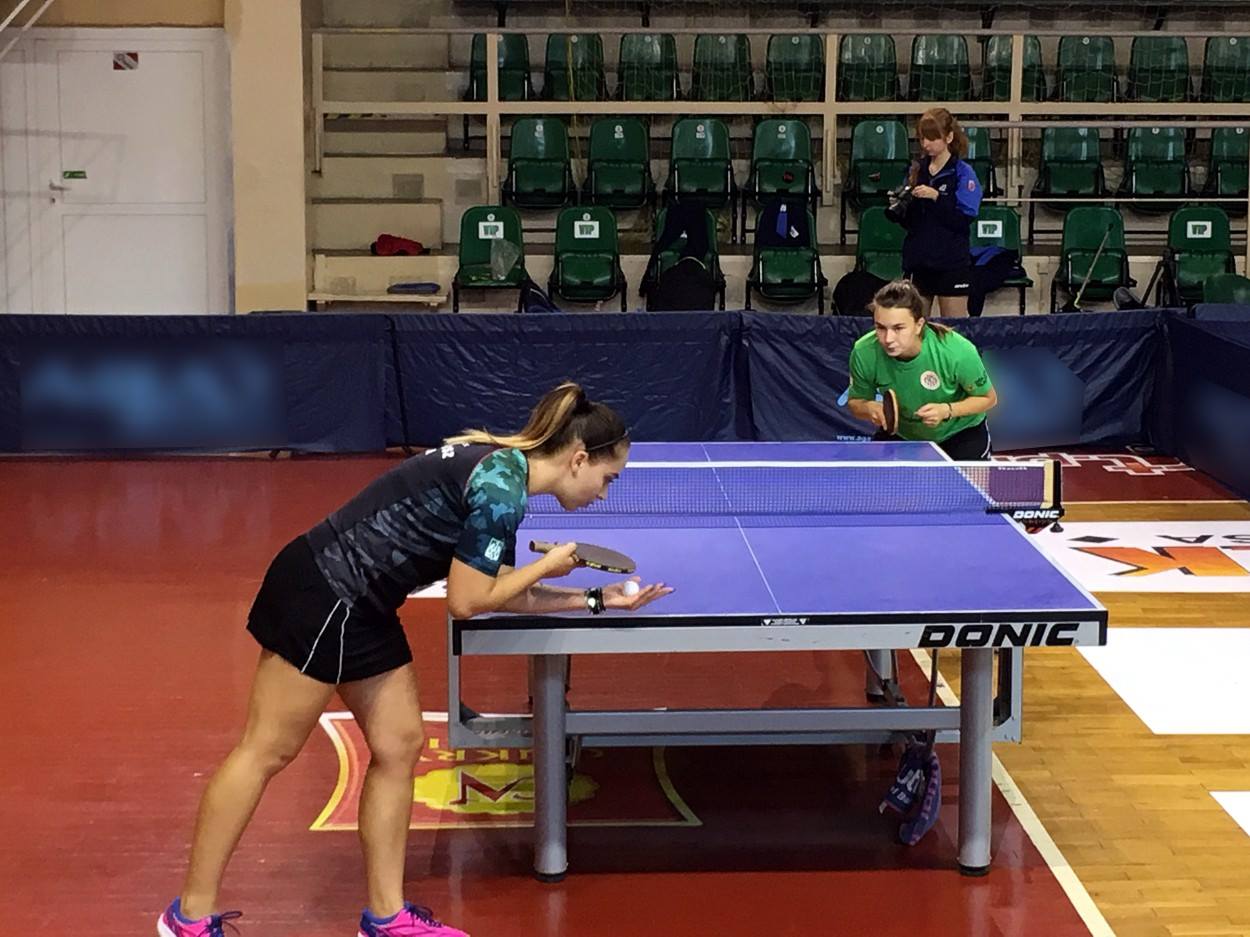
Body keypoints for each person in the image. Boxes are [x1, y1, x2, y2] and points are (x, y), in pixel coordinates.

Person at [158, 382, 672, 937]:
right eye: (608, 478)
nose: (604, 495)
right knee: (266, 750)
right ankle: (188, 916)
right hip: (324, 592)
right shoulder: (501, 489)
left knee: (399, 744)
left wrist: (592, 599)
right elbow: (467, 602)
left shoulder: (503, 473)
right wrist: (548, 567)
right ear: (578, 459)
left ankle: (385, 918)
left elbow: (495, 586)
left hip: (365, 604)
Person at [846, 280, 998, 459]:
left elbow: (989, 398)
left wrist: (947, 410)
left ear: (919, 325)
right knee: (875, 475)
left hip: (960, 432)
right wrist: (869, 408)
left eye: (898, 328)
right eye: (880, 328)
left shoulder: (957, 351)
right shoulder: (864, 352)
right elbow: (855, 402)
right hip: (904, 434)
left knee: (970, 478)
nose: (888, 339)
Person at [893, 107, 982, 318]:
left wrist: (937, 197)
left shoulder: (963, 172)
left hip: (951, 263)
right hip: (919, 262)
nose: (926, 144)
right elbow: (911, 223)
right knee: (915, 327)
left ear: (948, 137)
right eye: (922, 138)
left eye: (932, 138)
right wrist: (901, 206)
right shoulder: (916, 170)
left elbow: (963, 219)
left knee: (952, 329)